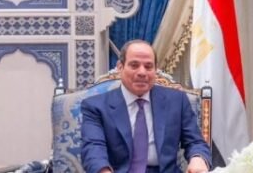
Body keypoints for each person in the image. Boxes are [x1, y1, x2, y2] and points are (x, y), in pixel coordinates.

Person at [81, 40, 211, 173]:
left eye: (148, 66)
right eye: (134, 65)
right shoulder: (96, 106)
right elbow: (93, 148)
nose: (142, 72)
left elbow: (195, 142)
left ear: (155, 70)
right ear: (120, 67)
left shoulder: (177, 101)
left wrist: (198, 158)